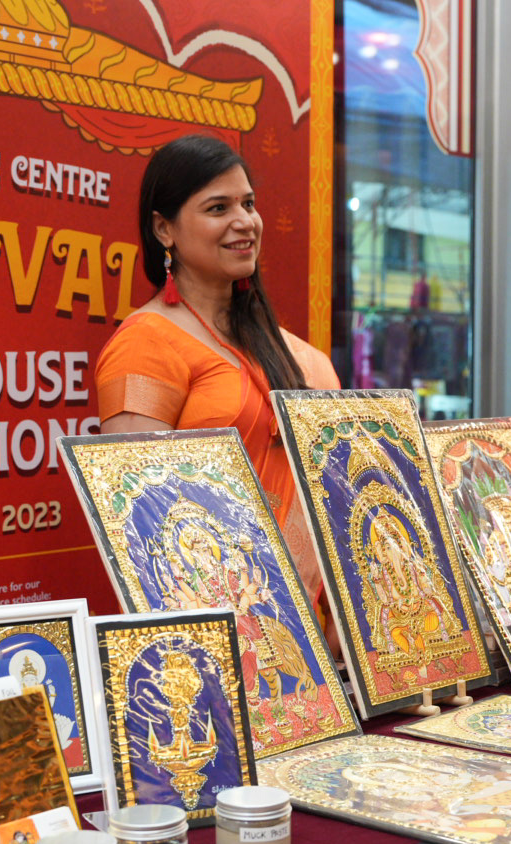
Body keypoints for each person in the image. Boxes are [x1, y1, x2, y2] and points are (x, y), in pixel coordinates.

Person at [95, 135, 340, 595]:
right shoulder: (145, 347)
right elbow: (144, 522)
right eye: (218, 208)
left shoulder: (301, 357)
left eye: (248, 203)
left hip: (321, 639)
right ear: (164, 229)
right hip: (217, 628)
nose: (244, 222)